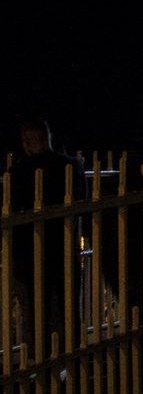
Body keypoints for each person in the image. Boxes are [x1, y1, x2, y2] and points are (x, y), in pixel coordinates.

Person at [5, 118, 87, 355]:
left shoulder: (19, 172)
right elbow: (80, 200)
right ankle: (72, 354)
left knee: (35, 310)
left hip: (30, 252)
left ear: (27, 142)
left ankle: (39, 358)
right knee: (69, 306)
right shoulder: (72, 166)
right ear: (48, 136)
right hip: (65, 247)